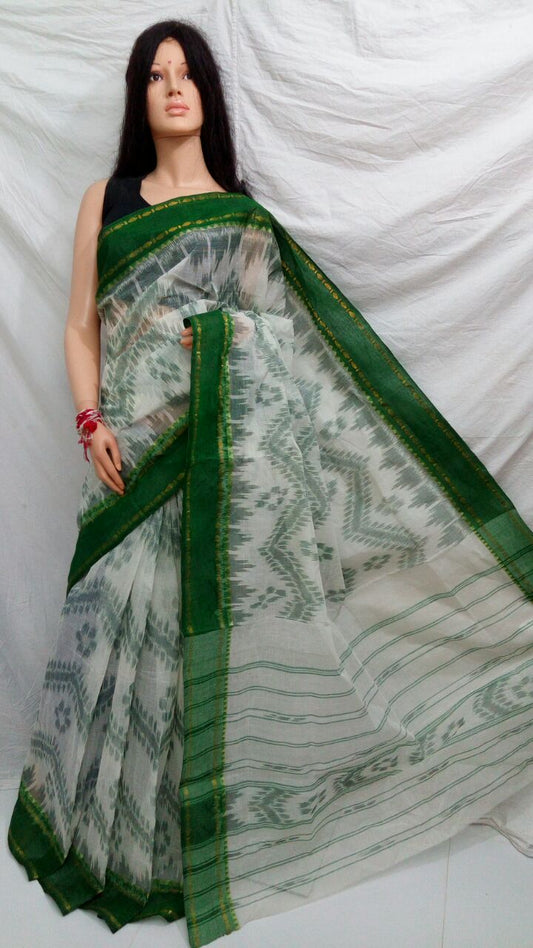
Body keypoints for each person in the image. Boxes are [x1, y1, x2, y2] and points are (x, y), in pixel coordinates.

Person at [7, 18, 533, 948]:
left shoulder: (243, 219)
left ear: (208, 94)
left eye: (186, 74)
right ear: (138, 97)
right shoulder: (108, 200)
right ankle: (104, 824)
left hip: (215, 455)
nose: (173, 88)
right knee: (114, 625)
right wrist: (89, 421)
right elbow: (81, 325)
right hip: (127, 451)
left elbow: (279, 347)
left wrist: (219, 341)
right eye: (155, 75)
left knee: (195, 633)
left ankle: (192, 841)